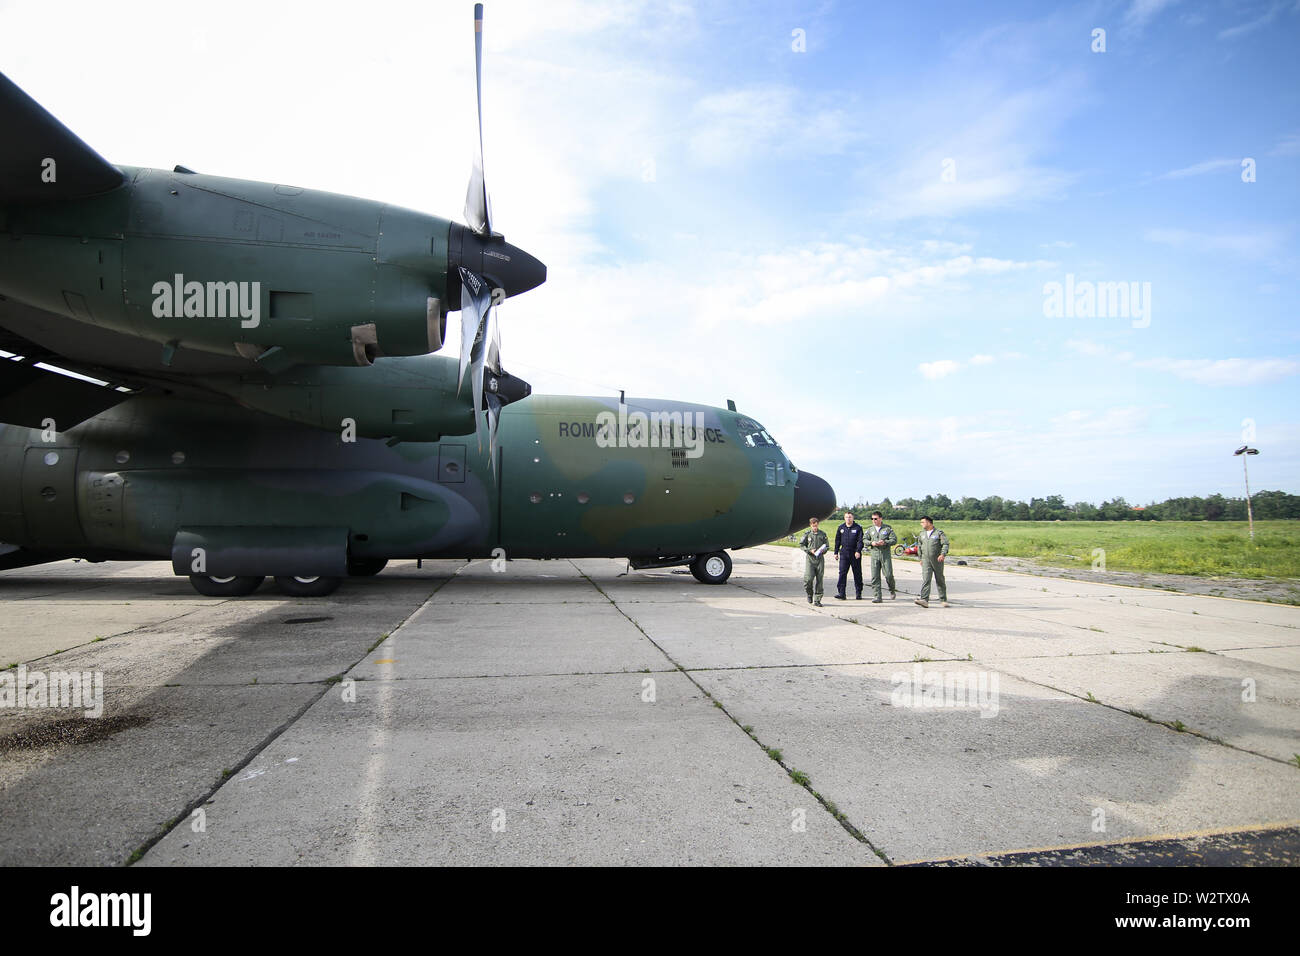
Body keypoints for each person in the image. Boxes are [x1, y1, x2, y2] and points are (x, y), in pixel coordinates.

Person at [914, 515, 950, 608]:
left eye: (923, 522)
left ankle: (943, 599)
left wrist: (943, 554)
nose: (921, 524)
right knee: (926, 579)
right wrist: (920, 558)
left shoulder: (938, 533)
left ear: (929, 523)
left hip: (937, 560)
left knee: (940, 579)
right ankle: (924, 600)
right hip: (926, 560)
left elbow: (945, 544)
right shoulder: (922, 534)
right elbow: (919, 547)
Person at [866, 510, 897, 602]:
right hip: (874, 555)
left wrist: (885, 542)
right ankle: (877, 596)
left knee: (888, 575)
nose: (874, 520)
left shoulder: (887, 529)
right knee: (875, 576)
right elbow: (864, 540)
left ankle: (892, 590)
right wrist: (872, 543)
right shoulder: (870, 530)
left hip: (885, 555)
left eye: (875, 519)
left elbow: (894, 540)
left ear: (880, 518)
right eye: (872, 519)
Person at [833, 511, 865, 600]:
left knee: (857, 573)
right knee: (842, 573)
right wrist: (836, 552)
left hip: (855, 554)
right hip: (844, 554)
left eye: (850, 517)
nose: (848, 519)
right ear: (844, 518)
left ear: (853, 518)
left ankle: (859, 593)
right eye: (847, 517)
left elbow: (860, 541)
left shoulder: (858, 528)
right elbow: (837, 541)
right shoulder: (841, 528)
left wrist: (858, 551)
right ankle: (841, 593)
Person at [799, 516, 829, 606]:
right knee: (808, 579)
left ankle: (817, 600)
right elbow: (802, 545)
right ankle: (809, 593)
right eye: (813, 526)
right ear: (810, 525)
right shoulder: (807, 534)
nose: (815, 527)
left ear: (818, 525)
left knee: (820, 579)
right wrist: (809, 550)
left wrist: (823, 550)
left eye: (816, 526)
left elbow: (827, 546)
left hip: (819, 559)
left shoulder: (822, 534)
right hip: (810, 559)